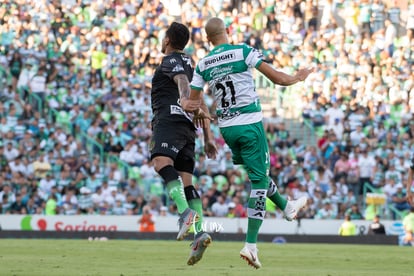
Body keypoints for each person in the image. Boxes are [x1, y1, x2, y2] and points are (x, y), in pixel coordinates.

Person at [181, 17, 312, 269]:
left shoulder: (204, 63)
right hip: (250, 124)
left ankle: (287, 207)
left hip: (227, 129)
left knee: (258, 175)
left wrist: (194, 110)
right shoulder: (243, 51)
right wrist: (298, 77)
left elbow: (193, 102)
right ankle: (250, 246)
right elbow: (278, 79)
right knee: (259, 182)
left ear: (208, 39)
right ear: (228, 32)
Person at [149, 22, 217, 266]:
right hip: (189, 130)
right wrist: (209, 138)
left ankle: (185, 214)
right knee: (187, 182)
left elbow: (182, 85)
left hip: (169, 122)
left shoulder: (171, 61)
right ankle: (199, 233)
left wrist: (184, 98)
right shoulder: (192, 65)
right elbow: (203, 104)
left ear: (167, 40)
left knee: (160, 162)